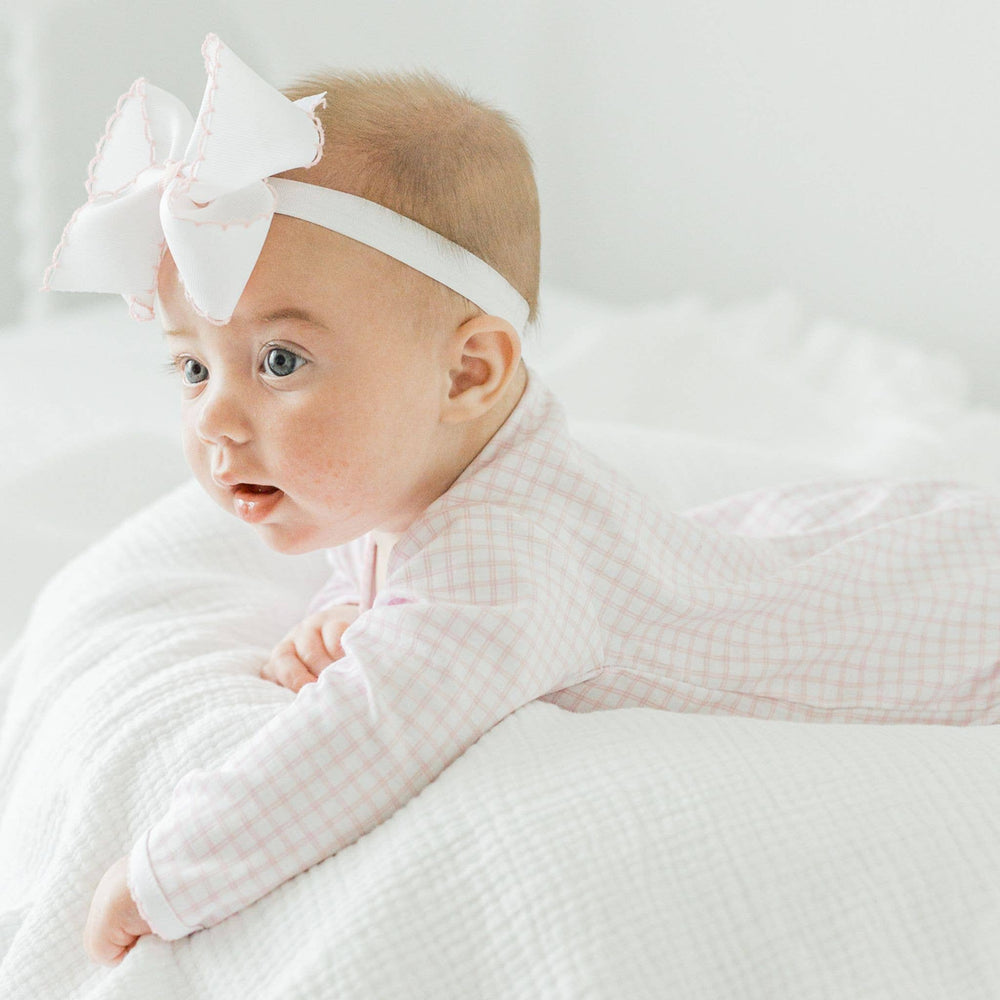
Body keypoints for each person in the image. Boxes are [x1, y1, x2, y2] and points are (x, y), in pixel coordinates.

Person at [44, 35, 1000, 967]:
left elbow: (361, 740)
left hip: (956, 626)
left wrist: (165, 876)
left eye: (281, 361)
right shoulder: (420, 480)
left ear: (468, 372)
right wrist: (345, 610)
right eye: (192, 367)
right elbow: (383, 574)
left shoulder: (500, 565)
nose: (214, 418)